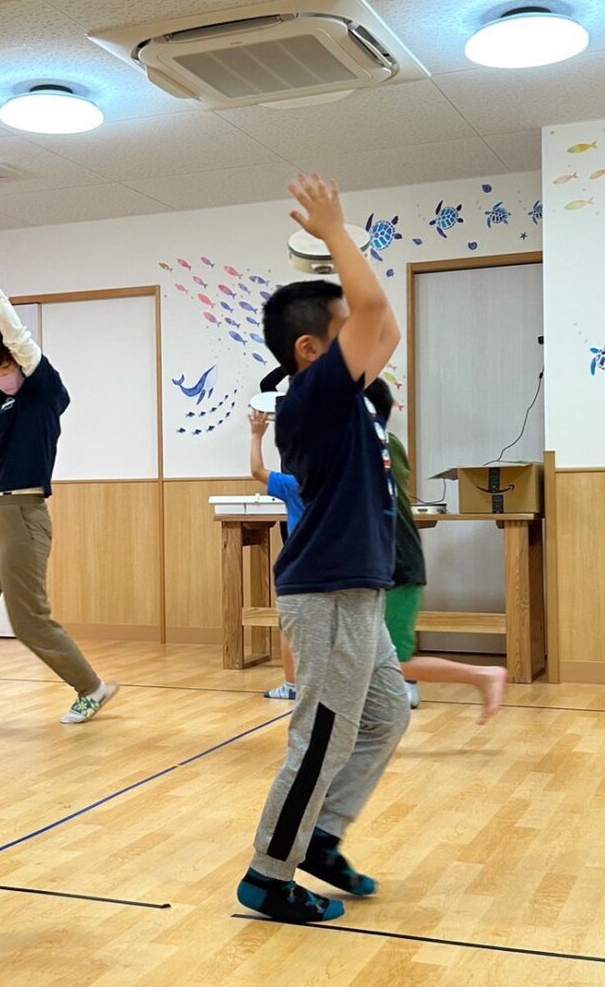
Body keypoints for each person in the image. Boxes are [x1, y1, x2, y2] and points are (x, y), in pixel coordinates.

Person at [237, 174, 409, 925]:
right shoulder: (310, 397)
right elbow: (371, 313)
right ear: (311, 351)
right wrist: (336, 234)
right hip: (328, 591)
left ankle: (321, 837)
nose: (363, 338)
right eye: (343, 331)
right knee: (323, 737)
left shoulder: (353, 398)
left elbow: (382, 325)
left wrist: (344, 257)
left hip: (358, 589)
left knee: (384, 717)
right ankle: (268, 875)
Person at [0, 243, 118, 728]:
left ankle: (91, 687)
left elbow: (17, 335)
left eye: (3, 368)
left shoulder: (44, 394)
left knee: (29, 620)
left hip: (24, 517)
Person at [363, 380, 507, 723]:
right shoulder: (385, 443)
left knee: (393, 661)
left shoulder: (370, 446)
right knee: (371, 656)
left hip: (396, 564)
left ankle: (481, 675)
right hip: (385, 562)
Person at [248, 409, 302, 700]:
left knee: (289, 624)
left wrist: (256, 435)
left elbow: (257, 470)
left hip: (299, 565)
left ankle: (292, 686)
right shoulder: (339, 482)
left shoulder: (292, 484)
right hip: (334, 562)